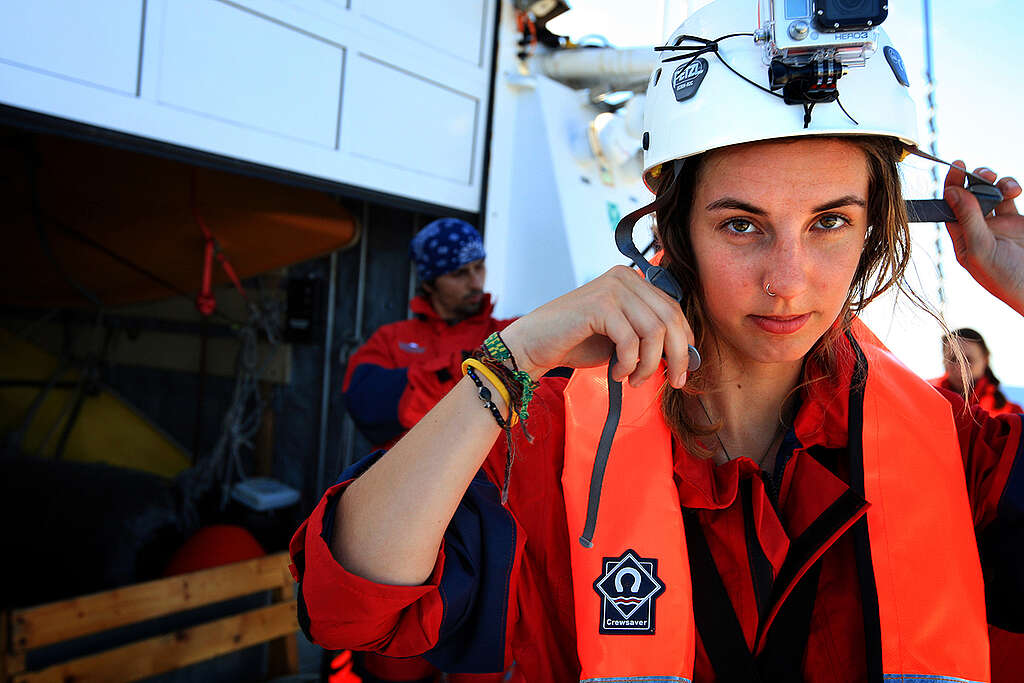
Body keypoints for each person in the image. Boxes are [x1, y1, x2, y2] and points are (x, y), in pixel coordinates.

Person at [292, 2, 1024, 680]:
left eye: (829, 222)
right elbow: (347, 604)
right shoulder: (551, 442)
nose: (788, 282)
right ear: (678, 231)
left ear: (872, 231)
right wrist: (512, 357)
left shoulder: (960, 450)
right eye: (742, 224)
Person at [342, 217, 515, 449]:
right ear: (429, 283)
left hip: (490, 482)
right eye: (460, 273)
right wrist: (465, 369)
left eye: (479, 266)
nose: (475, 282)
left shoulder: (508, 332)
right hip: (407, 480)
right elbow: (363, 405)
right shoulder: (391, 339)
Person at [932, 327, 1023, 415]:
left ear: (985, 359)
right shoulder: (926, 397)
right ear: (944, 361)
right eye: (953, 359)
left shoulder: (1011, 414)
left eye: (968, 360)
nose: (960, 368)